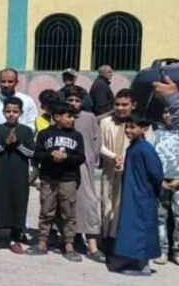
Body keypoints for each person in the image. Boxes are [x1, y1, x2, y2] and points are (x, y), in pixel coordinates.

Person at [0, 69, 38, 227]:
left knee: (17, 192)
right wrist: (2, 131)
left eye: (10, 81)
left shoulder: (27, 101)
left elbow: (32, 125)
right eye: (3, 81)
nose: (6, 84)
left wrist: (16, 134)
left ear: (17, 82)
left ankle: (18, 228)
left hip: (19, 154)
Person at [110, 115, 164, 275]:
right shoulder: (133, 147)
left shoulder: (146, 149)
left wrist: (154, 192)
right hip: (132, 194)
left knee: (143, 228)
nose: (128, 130)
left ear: (144, 129)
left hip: (143, 196)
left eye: (132, 127)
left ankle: (143, 265)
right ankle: (132, 258)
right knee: (130, 227)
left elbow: (156, 174)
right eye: (126, 127)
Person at [32, 103, 85, 262]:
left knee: (68, 213)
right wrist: (51, 155)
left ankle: (69, 245)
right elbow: (37, 154)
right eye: (68, 116)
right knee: (46, 211)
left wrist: (66, 157)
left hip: (68, 179)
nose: (72, 119)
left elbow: (80, 157)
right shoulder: (44, 134)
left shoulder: (77, 136)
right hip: (48, 178)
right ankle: (42, 242)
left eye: (73, 117)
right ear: (56, 117)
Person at [0, 96, 34, 254]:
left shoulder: (26, 131)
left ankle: (15, 238)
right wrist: (5, 144)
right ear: (3, 112)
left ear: (21, 113)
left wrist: (17, 144)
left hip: (19, 175)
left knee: (18, 203)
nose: (11, 114)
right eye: (8, 111)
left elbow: (31, 153)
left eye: (15, 112)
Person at [63, 85, 104, 262]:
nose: (73, 103)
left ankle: (92, 246)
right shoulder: (60, 117)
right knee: (67, 203)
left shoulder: (89, 118)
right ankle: (71, 240)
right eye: (70, 100)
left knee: (88, 203)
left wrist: (92, 161)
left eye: (77, 100)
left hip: (84, 166)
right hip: (65, 166)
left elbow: (96, 141)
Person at [100, 89, 142, 244]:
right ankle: (105, 239)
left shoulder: (139, 124)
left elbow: (146, 146)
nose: (120, 108)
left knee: (123, 205)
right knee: (106, 204)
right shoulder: (106, 122)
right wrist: (113, 157)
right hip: (109, 170)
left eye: (125, 104)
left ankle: (119, 240)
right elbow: (99, 146)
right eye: (117, 104)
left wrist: (126, 160)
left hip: (130, 172)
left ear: (133, 105)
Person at [151, 107, 179, 265]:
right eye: (165, 112)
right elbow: (151, 158)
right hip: (160, 181)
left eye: (172, 112)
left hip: (178, 180)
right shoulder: (156, 134)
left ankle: (177, 251)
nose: (168, 115)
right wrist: (158, 179)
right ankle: (162, 250)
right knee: (160, 217)